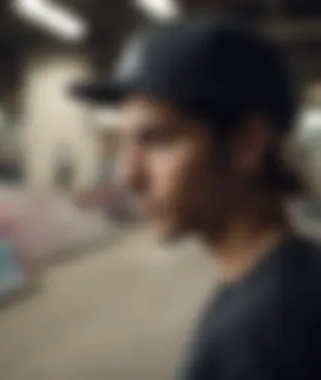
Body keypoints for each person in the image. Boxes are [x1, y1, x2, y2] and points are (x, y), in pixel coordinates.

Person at [71, 13, 321, 380]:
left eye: (158, 140)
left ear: (247, 143)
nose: (129, 176)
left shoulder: (261, 340)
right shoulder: (289, 278)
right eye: (128, 143)